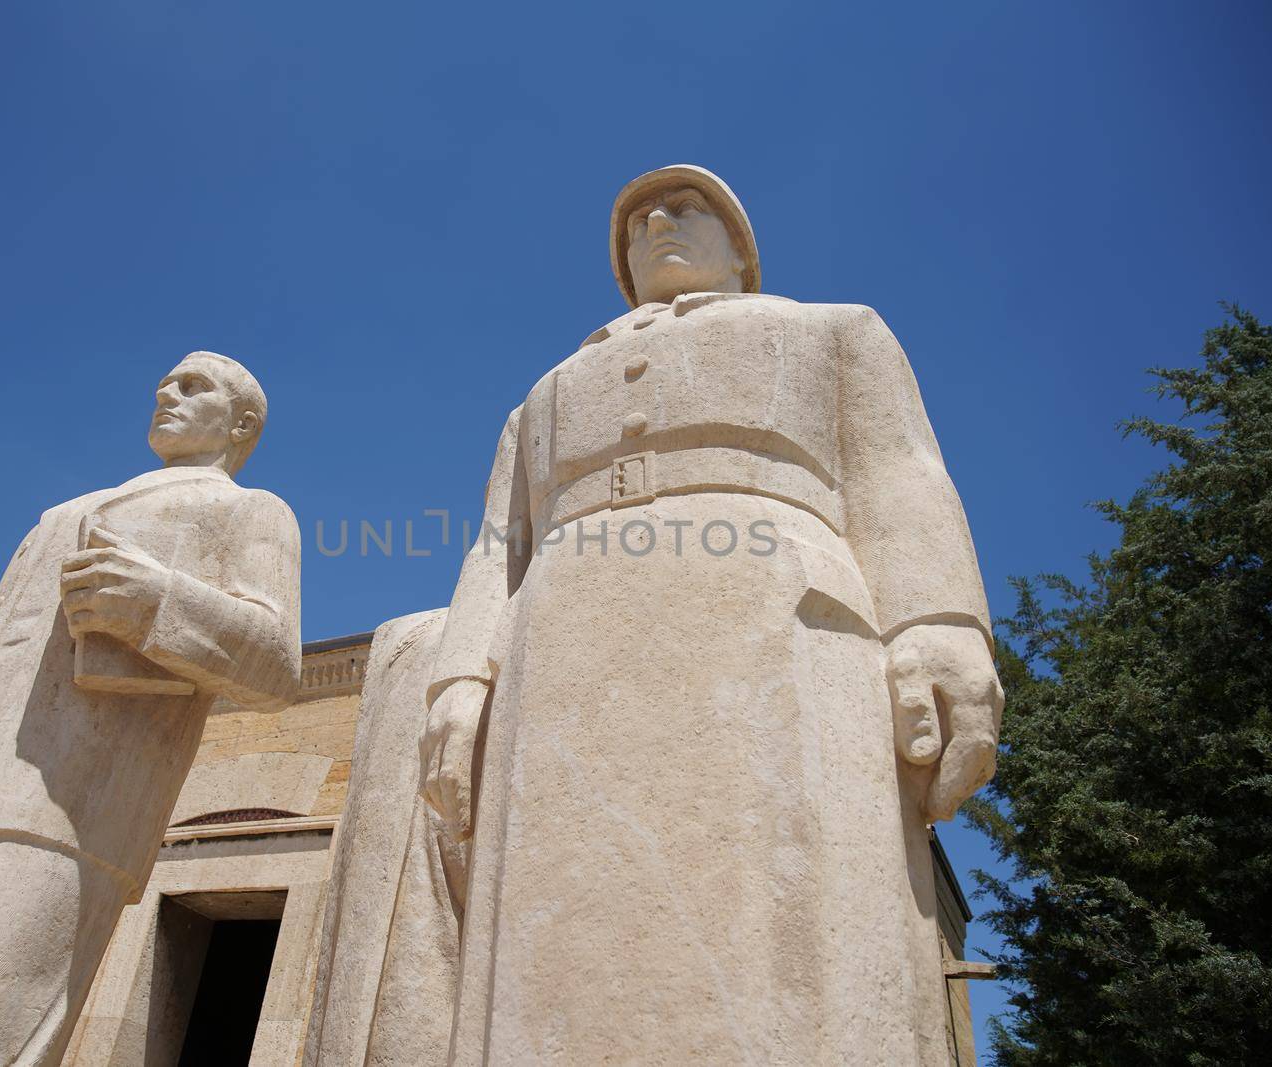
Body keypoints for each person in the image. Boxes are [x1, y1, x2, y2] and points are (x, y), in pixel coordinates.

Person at [417, 166, 1003, 1064]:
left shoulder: (834, 332)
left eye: (687, 207)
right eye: (636, 220)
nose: (656, 220)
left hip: (782, 624)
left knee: (796, 918)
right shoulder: (537, 401)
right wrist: (461, 679)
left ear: (743, 252)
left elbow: (900, 472)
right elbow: (496, 550)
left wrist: (939, 622)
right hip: (560, 648)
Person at [0, 351, 301, 1067]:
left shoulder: (251, 510)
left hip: (60, 803)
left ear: (241, 421)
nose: (167, 391)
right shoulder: (60, 514)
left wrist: (156, 602)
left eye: (195, 386)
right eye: (166, 380)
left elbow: (277, 664)